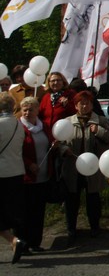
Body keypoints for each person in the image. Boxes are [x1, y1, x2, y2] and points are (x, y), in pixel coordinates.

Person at [59, 91, 109, 246]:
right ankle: (71, 230)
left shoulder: (100, 121)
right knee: (72, 200)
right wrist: (64, 151)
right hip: (72, 168)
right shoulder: (67, 122)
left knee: (93, 199)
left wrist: (99, 131)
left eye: (87, 103)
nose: (84, 106)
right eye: (81, 103)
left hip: (92, 168)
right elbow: (60, 143)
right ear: (76, 105)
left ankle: (95, 227)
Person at [19, 97, 54, 253]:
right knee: (24, 212)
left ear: (37, 110)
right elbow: (16, 151)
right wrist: (29, 164)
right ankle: (22, 244)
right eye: (24, 109)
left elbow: (50, 142)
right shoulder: (18, 128)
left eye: (30, 109)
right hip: (26, 178)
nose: (27, 112)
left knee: (38, 212)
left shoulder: (44, 126)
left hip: (43, 176)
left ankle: (35, 242)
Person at [0, 92, 27, 264]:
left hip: (1, 173)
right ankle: (15, 240)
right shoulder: (19, 125)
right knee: (12, 210)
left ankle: (13, 240)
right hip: (17, 171)